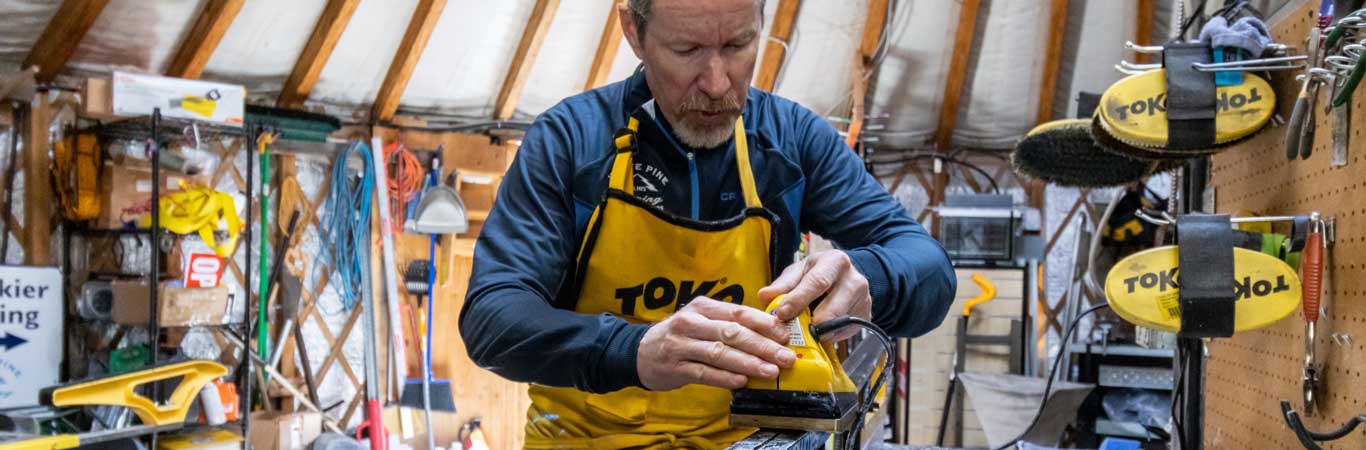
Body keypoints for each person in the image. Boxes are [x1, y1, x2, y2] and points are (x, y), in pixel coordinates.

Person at [459, 0, 956, 447]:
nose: (718, 83)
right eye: (687, 48)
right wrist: (633, 349)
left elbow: (930, 267)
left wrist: (867, 275)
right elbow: (493, 318)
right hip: (585, 442)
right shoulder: (571, 142)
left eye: (739, 44)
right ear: (633, 30)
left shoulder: (791, 140)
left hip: (745, 442)